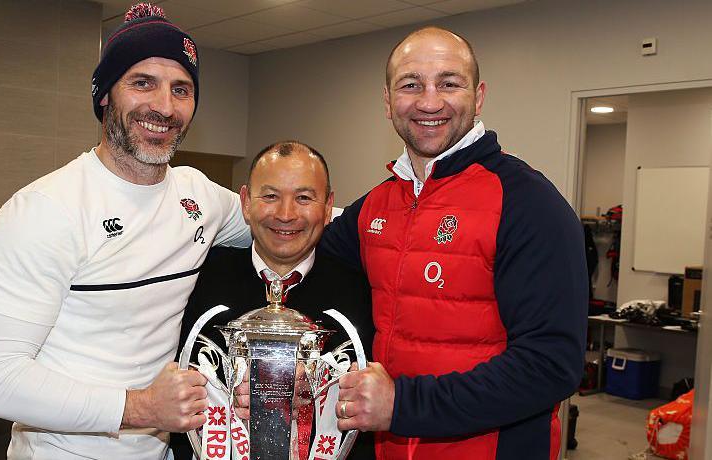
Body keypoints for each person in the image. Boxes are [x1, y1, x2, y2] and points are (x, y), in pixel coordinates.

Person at [0, 4, 250, 459]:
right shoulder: (45, 210)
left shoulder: (199, 195)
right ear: (104, 96)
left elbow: (287, 222)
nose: (163, 106)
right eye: (142, 83)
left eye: (182, 89)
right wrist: (140, 408)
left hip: (155, 451)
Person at [319, 26, 588, 459]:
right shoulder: (374, 206)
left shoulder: (529, 203)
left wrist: (403, 405)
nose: (429, 102)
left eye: (449, 83)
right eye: (411, 85)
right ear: (388, 101)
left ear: (478, 97)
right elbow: (305, 266)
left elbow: (551, 365)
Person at [173, 140, 375, 459]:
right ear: (245, 203)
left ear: (327, 207)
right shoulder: (197, 278)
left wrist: (321, 385)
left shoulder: (365, 291)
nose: (285, 214)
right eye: (270, 196)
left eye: (304, 198)